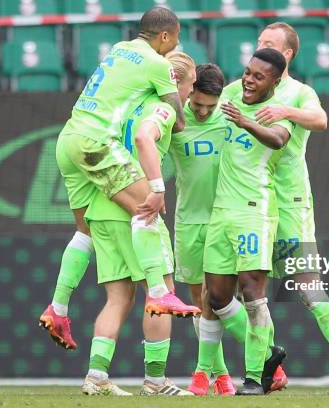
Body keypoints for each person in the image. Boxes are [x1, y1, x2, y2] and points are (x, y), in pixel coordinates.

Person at [39, 6, 198, 351]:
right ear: (166, 36)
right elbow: (178, 116)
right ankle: (160, 293)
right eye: (176, 37)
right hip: (96, 142)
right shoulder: (159, 66)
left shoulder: (118, 49)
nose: (175, 44)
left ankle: (59, 307)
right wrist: (158, 187)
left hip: (68, 139)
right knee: (147, 208)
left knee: (84, 231)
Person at [235, 22, 329, 396]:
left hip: (290, 202)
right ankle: (269, 369)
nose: (259, 46)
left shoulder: (298, 92)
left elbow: (321, 120)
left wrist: (285, 112)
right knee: (249, 291)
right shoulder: (246, 86)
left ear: (287, 53)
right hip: (250, 204)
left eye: (268, 43)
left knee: (309, 290)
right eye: (258, 40)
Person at [81, 51, 197, 396]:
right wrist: (158, 188)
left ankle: (96, 377)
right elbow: (146, 138)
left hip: (103, 206)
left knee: (117, 299)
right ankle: (156, 381)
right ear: (178, 82)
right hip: (138, 207)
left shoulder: (126, 103)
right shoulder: (161, 108)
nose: (188, 96)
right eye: (189, 86)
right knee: (161, 293)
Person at [202, 48, 293, 396]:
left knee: (253, 293)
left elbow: (279, 139)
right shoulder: (229, 94)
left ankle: (256, 376)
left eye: (258, 76)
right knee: (218, 297)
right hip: (221, 212)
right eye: (247, 72)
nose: (249, 80)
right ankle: (269, 352)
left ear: (275, 80)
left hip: (254, 210)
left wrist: (246, 122)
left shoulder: (276, 111)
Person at [167, 64, 236, 395]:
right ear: (189, 94)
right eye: (198, 104)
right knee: (199, 300)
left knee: (220, 298)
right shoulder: (175, 122)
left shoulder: (230, 118)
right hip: (189, 221)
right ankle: (220, 375)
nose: (205, 111)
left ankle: (203, 372)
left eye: (211, 105)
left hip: (224, 220)